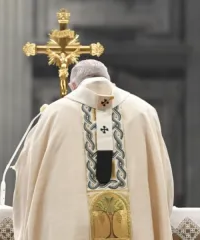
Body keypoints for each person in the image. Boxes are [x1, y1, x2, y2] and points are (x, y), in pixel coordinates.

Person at [12, 59, 174, 240]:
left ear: (73, 85)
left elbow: (29, 174)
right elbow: (164, 178)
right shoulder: (144, 112)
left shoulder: (54, 115)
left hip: (69, 229)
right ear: (110, 81)